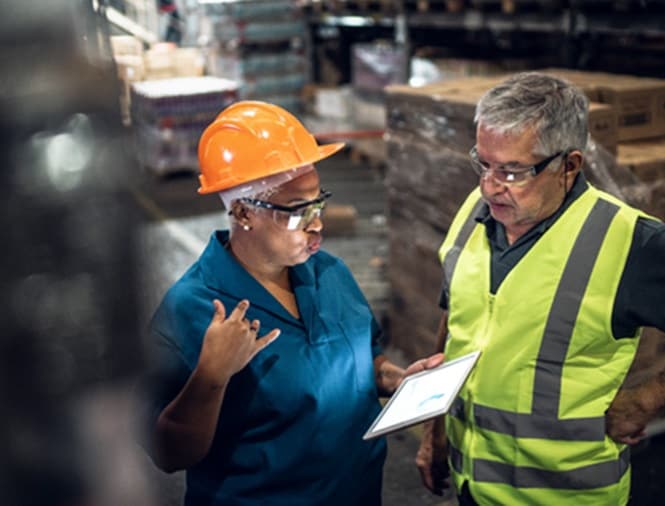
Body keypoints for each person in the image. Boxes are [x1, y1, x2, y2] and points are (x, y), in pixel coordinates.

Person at [414, 72, 665, 505]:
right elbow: (458, 315)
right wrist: (435, 428)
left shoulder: (627, 241)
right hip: (472, 487)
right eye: (483, 163)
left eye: (513, 171)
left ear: (569, 165)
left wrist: (647, 400)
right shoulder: (476, 211)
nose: (489, 185)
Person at [144, 100, 442, 505]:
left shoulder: (330, 273)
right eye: (299, 210)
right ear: (243, 212)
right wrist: (211, 376)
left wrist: (393, 377)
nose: (317, 222)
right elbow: (167, 453)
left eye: (318, 202)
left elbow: (359, 359)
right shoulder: (192, 309)